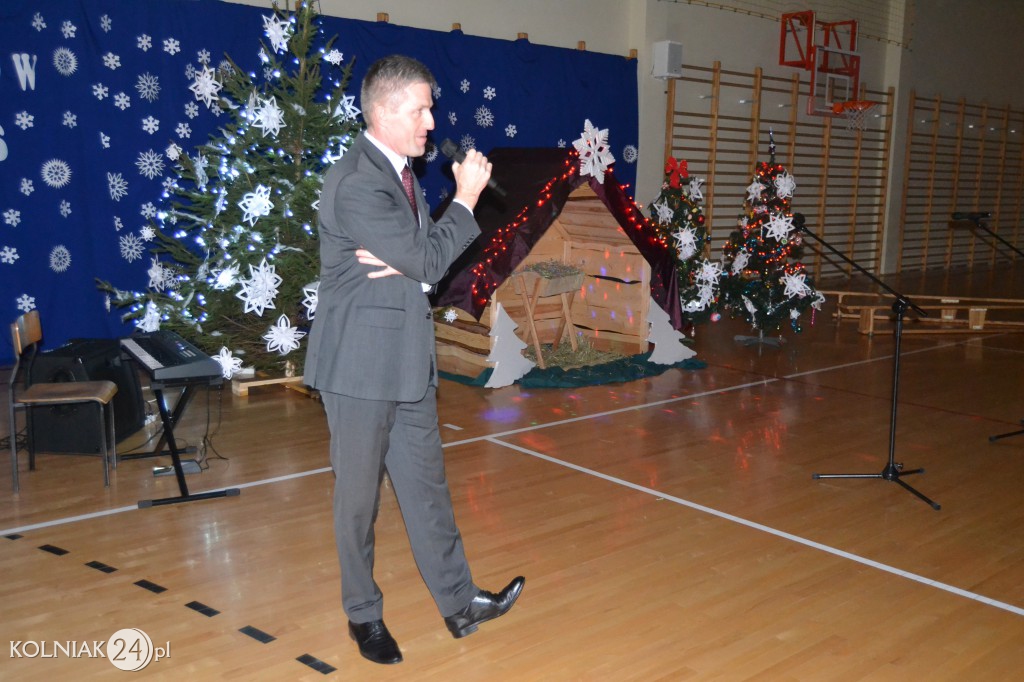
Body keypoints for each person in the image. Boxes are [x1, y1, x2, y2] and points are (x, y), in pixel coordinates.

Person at [303, 54, 524, 666]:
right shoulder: (357, 182)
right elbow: (428, 261)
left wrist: (414, 263)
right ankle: (363, 615)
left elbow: (421, 265)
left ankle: (459, 603)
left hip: (404, 360)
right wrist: (467, 199)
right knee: (357, 501)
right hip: (358, 367)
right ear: (383, 111)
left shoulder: (397, 173)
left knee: (427, 489)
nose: (432, 120)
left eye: (431, 107)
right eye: (421, 108)